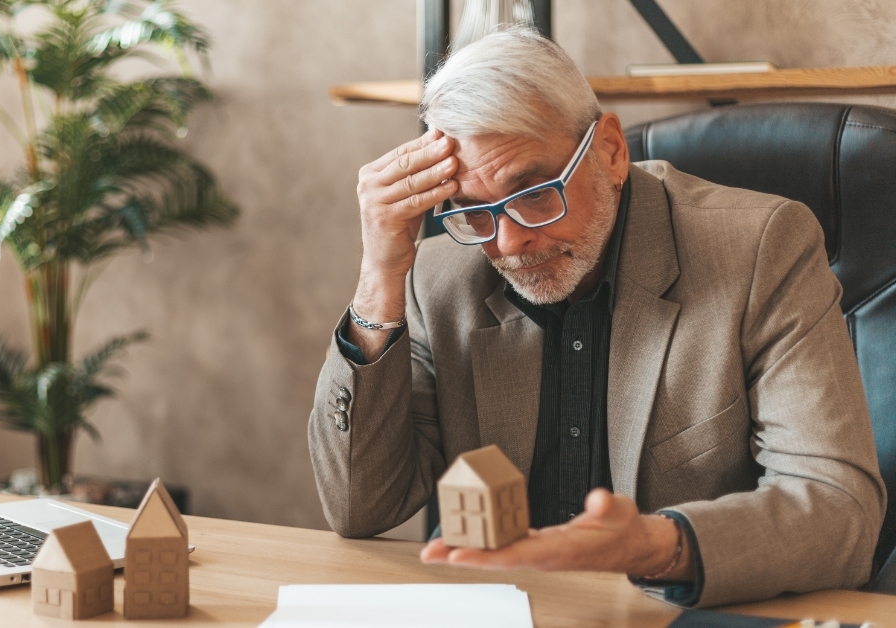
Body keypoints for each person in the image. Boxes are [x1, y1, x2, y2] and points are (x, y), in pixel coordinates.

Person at [307, 27, 885, 608]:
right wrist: (378, 278)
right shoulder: (439, 276)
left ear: (610, 150)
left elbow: (840, 511)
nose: (508, 243)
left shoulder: (760, 249)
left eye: (534, 192)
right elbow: (362, 506)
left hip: (678, 611)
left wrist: (657, 545)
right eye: (475, 211)